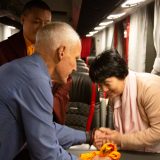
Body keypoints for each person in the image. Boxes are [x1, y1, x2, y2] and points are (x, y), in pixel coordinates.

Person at [0, 22, 105, 160]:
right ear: (61, 52)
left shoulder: (25, 68)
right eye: (75, 58)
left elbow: (45, 128)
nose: (75, 67)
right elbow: (46, 154)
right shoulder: (35, 80)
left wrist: (88, 136)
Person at [0, 0, 70, 124]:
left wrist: (49, 103)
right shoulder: (4, 50)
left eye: (47, 23)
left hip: (45, 117)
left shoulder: (57, 49)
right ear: (22, 19)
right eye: (36, 22)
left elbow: (66, 81)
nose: (43, 28)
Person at [89, 49, 160, 153]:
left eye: (107, 83)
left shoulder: (149, 89)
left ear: (121, 74)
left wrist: (120, 139)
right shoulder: (115, 95)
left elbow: (158, 132)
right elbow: (125, 133)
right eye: (100, 85)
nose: (104, 90)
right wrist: (110, 136)